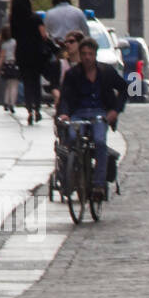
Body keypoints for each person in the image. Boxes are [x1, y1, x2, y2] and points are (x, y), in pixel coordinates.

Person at [56, 37, 127, 202]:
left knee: (100, 142)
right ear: (80, 55)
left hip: (99, 113)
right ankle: (75, 173)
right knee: (73, 139)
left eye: (90, 54)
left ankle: (98, 185)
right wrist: (64, 113)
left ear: (95, 55)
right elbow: (65, 97)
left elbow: (124, 89)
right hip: (78, 113)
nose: (87, 57)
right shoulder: (72, 74)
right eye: (84, 54)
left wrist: (115, 110)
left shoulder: (106, 72)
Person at [9, 0, 51, 125]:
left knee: (27, 82)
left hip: (22, 53)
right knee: (36, 81)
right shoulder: (36, 18)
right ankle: (37, 108)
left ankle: (29, 111)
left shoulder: (14, 19)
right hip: (36, 53)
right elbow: (43, 35)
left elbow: (14, 36)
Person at [0, 25, 19, 113]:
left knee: (8, 84)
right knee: (14, 85)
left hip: (6, 65)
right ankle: (12, 104)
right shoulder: (15, 42)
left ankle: (6, 102)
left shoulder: (4, 44)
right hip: (14, 64)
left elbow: (2, 57)